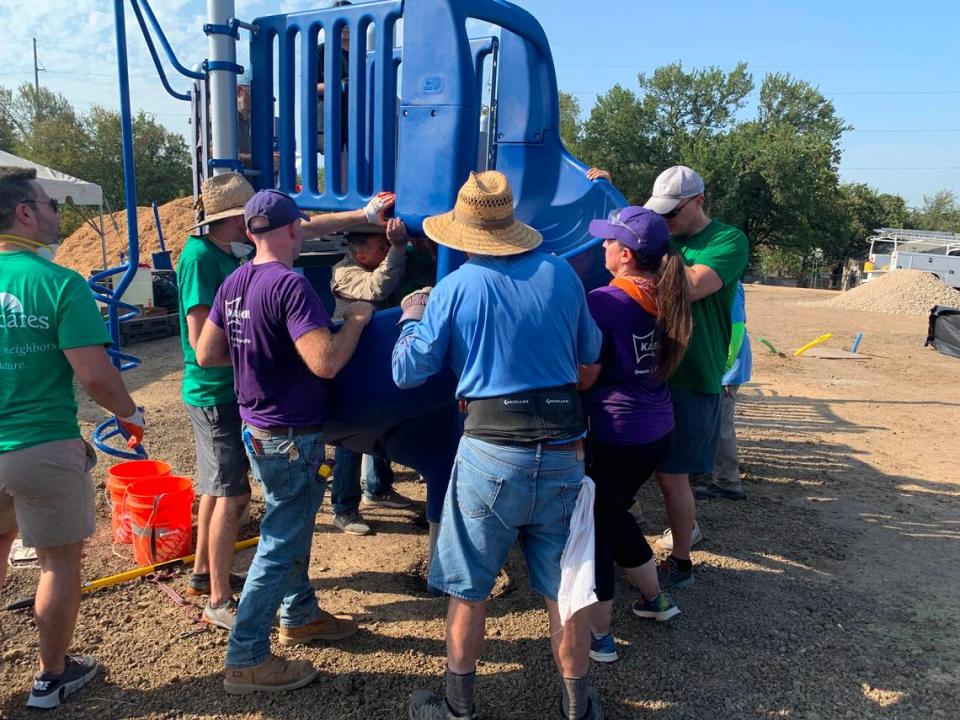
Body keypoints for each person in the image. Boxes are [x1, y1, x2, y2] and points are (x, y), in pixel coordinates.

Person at [393, 171, 604, 720]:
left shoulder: (455, 288)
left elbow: (408, 372)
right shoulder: (561, 274)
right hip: (564, 447)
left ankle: (458, 707)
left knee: (470, 589)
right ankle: (578, 709)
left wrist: (411, 320)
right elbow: (589, 352)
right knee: (566, 588)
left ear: (464, 230)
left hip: (489, 452)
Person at [196, 188, 374, 694]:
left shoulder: (235, 280)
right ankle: (247, 656)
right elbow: (325, 361)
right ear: (295, 229)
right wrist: (358, 320)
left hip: (258, 431)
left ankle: (300, 614)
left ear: (250, 233)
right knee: (278, 541)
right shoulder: (291, 286)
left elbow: (207, 353)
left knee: (287, 525)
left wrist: (263, 354)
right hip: (292, 435)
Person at [0, 166, 145, 709]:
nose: (56, 214)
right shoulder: (59, 284)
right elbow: (95, 376)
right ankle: (52, 677)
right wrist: (131, 414)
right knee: (58, 564)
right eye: (49, 205)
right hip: (39, 445)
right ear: (24, 213)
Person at [579, 207, 692, 663]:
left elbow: (587, 377)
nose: (601, 246)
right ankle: (655, 599)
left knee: (597, 528)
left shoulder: (604, 301)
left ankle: (600, 636)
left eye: (607, 241)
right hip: (656, 428)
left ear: (625, 255)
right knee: (614, 511)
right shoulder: (668, 296)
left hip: (616, 432)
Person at [643, 166, 749, 589]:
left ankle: (682, 559)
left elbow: (688, 287)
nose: (664, 222)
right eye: (658, 215)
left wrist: (643, 251)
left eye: (671, 214)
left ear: (698, 202)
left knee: (674, 476)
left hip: (691, 375)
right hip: (646, 372)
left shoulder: (728, 240)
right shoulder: (664, 236)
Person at [178, 173, 257, 631]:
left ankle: (205, 573)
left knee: (213, 489)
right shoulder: (201, 259)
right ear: (232, 219)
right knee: (233, 492)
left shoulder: (222, 253)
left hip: (219, 391)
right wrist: (259, 354)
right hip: (212, 392)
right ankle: (220, 600)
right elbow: (201, 341)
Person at [329, 221, 415, 535]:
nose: (390, 250)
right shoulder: (344, 273)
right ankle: (343, 507)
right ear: (362, 255)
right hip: (351, 365)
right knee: (350, 436)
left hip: (375, 359)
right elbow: (377, 287)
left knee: (385, 421)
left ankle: (378, 487)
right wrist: (396, 249)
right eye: (382, 247)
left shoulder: (372, 263)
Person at [694, 281, 751, 501]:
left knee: (721, 426)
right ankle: (711, 472)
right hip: (719, 365)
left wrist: (723, 369)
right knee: (712, 422)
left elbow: (736, 328)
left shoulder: (729, 283)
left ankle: (728, 482)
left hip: (724, 368)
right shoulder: (721, 281)